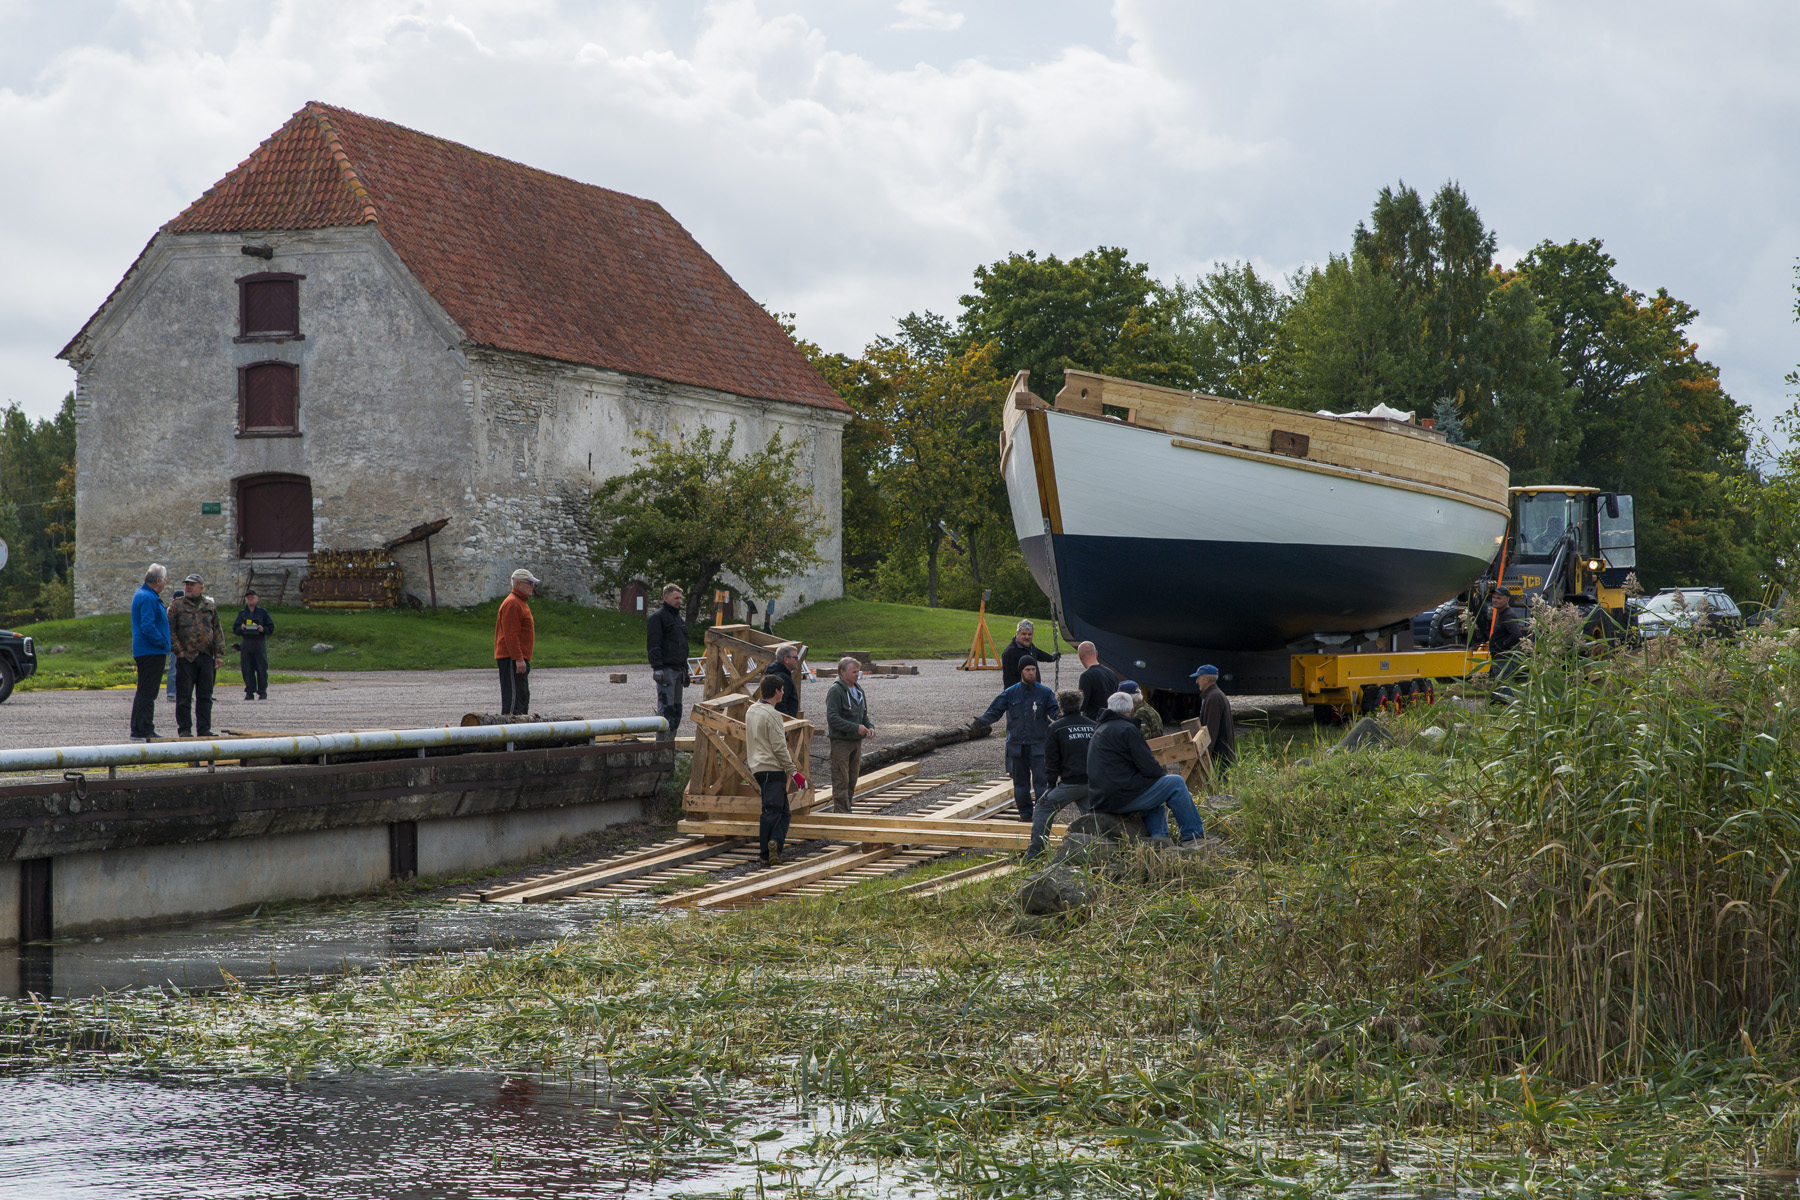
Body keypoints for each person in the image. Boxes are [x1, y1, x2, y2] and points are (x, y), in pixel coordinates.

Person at [1087, 692, 1207, 845]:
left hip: (1101, 797)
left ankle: (1160, 838)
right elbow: (1149, 766)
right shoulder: (1127, 730)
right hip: (1121, 796)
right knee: (1174, 783)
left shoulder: (1100, 730)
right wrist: (1159, 776)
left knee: (1152, 786)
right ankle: (1193, 836)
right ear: (1131, 710)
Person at [972, 658, 1058, 821]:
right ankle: (1025, 814)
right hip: (1017, 746)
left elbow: (1055, 713)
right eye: (1028, 670)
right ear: (1021, 672)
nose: (1031, 673)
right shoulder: (1010, 693)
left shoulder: (1045, 693)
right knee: (1020, 783)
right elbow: (994, 712)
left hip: (1038, 745)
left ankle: (1043, 814)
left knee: (1042, 783)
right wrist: (981, 722)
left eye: (1033, 669)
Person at [745, 674, 804, 866]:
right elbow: (779, 748)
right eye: (782, 689)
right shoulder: (773, 714)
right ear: (777, 691)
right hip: (772, 768)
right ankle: (766, 852)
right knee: (772, 811)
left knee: (784, 811)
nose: (783, 692)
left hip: (757, 766)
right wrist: (794, 772)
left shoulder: (752, 710)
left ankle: (774, 847)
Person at [1029, 688, 1096, 856]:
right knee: (1094, 818)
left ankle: (1034, 854)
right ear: (1080, 705)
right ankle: (1098, 850)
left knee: (1043, 809)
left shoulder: (1056, 728)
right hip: (1092, 782)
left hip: (1071, 782)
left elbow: (1051, 761)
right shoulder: (1093, 725)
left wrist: (1050, 786)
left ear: (1060, 706)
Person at [168, 573, 224, 738]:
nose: (188, 587)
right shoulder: (177, 606)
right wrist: (178, 650)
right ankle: (185, 729)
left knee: (205, 696)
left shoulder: (209, 606)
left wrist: (219, 653)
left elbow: (217, 630)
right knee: (184, 697)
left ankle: (204, 729)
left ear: (201, 588)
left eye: (192, 585)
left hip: (206, 656)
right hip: (186, 658)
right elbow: (169, 630)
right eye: (187, 585)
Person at [824, 656, 874, 812]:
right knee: (841, 779)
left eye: (858, 672)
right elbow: (832, 718)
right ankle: (841, 816)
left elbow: (863, 714)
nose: (856, 675)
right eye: (853, 672)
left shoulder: (858, 689)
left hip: (856, 742)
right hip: (841, 742)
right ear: (842, 672)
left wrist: (869, 726)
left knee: (852, 779)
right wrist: (854, 727)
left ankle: (847, 810)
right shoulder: (835, 690)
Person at [130, 563, 172, 740]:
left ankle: (139, 728)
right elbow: (148, 625)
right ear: (157, 580)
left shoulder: (145, 595)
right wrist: (162, 642)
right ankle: (144, 729)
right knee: (148, 692)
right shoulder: (148, 597)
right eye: (165, 580)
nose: (165, 584)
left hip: (147, 650)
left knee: (145, 690)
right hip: (151, 651)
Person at [494, 568, 539, 716]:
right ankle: (509, 735)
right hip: (511, 659)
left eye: (533, 584)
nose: (532, 587)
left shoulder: (521, 602)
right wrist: (518, 659)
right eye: (529, 583)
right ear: (518, 584)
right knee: (513, 701)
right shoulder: (513, 603)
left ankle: (520, 736)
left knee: (522, 697)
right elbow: (511, 635)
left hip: (518, 658)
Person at [646, 583, 688, 737]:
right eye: (676, 598)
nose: (679, 601)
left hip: (679, 670)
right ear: (666, 597)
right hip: (666, 670)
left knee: (677, 711)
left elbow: (683, 647)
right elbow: (653, 645)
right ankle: (662, 745)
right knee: (666, 710)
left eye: (680, 598)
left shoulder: (678, 620)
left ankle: (670, 745)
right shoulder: (657, 618)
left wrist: (686, 670)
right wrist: (657, 667)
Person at [1190, 664, 1236, 782]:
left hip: (1219, 756)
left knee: (1219, 789)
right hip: (1221, 754)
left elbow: (1211, 730)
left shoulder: (1213, 697)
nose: (1196, 681)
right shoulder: (1214, 695)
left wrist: (1205, 756)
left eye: (1198, 678)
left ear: (1206, 679)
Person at [1484, 587, 1529, 702]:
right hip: (1499, 657)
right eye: (1493, 597)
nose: (1494, 600)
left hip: (1505, 658)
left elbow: (1517, 636)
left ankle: (1512, 707)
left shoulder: (1508, 615)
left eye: (1498, 598)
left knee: (1504, 686)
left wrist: (1503, 645)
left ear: (1507, 600)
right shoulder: (1502, 614)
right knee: (1496, 687)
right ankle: (1494, 708)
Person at [232, 588, 274, 700]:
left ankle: (262, 691)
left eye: (252, 597)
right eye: (248, 598)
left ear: (257, 598)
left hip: (259, 642)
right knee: (247, 668)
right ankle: (249, 691)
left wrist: (262, 629)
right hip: (246, 642)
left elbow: (271, 628)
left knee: (261, 668)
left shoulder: (263, 613)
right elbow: (235, 628)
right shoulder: (242, 613)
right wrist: (241, 628)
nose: (250, 599)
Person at [1000, 619, 1060, 688]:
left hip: (1034, 690)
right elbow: (1009, 680)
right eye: (1024, 634)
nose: (1027, 637)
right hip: (1020, 692)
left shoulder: (1030, 646)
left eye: (1029, 634)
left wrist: (1051, 658)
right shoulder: (1009, 653)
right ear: (1017, 634)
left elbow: (1039, 654)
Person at [1075, 641, 1118, 721]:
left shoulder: (1086, 676)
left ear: (1080, 656)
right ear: (1096, 653)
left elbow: (1082, 704)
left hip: (1094, 721)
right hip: (1111, 719)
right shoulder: (1111, 673)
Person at [764, 643, 802, 718]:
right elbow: (779, 703)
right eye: (795, 658)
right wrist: (787, 721)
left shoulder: (776, 673)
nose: (798, 660)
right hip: (784, 723)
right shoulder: (783, 678)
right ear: (786, 659)